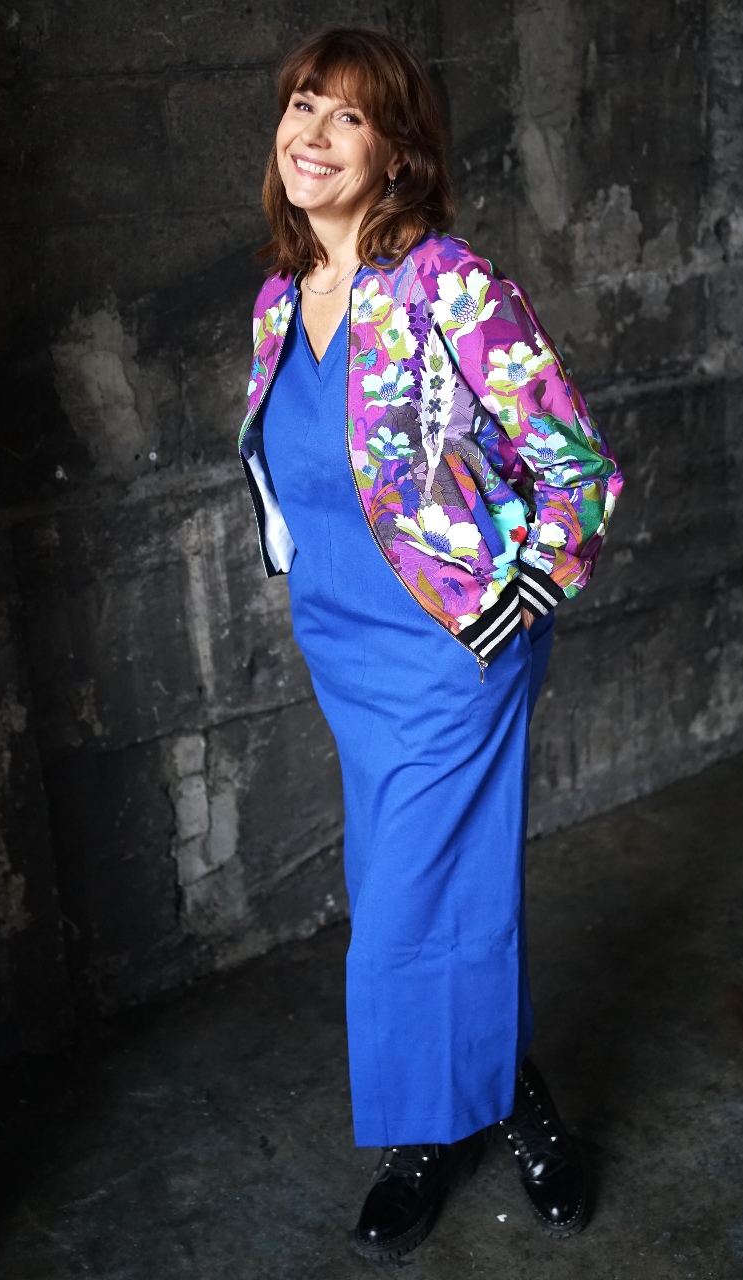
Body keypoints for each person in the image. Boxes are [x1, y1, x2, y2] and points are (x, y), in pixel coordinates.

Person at [238, 26, 623, 1262]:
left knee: (402, 911)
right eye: (303, 104)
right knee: (431, 891)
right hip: (344, 651)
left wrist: (529, 588)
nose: (312, 132)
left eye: (347, 115)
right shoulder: (277, 302)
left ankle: (434, 1133)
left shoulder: (448, 285)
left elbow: (577, 463)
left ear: (397, 154)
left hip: (452, 653)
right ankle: (504, 1098)